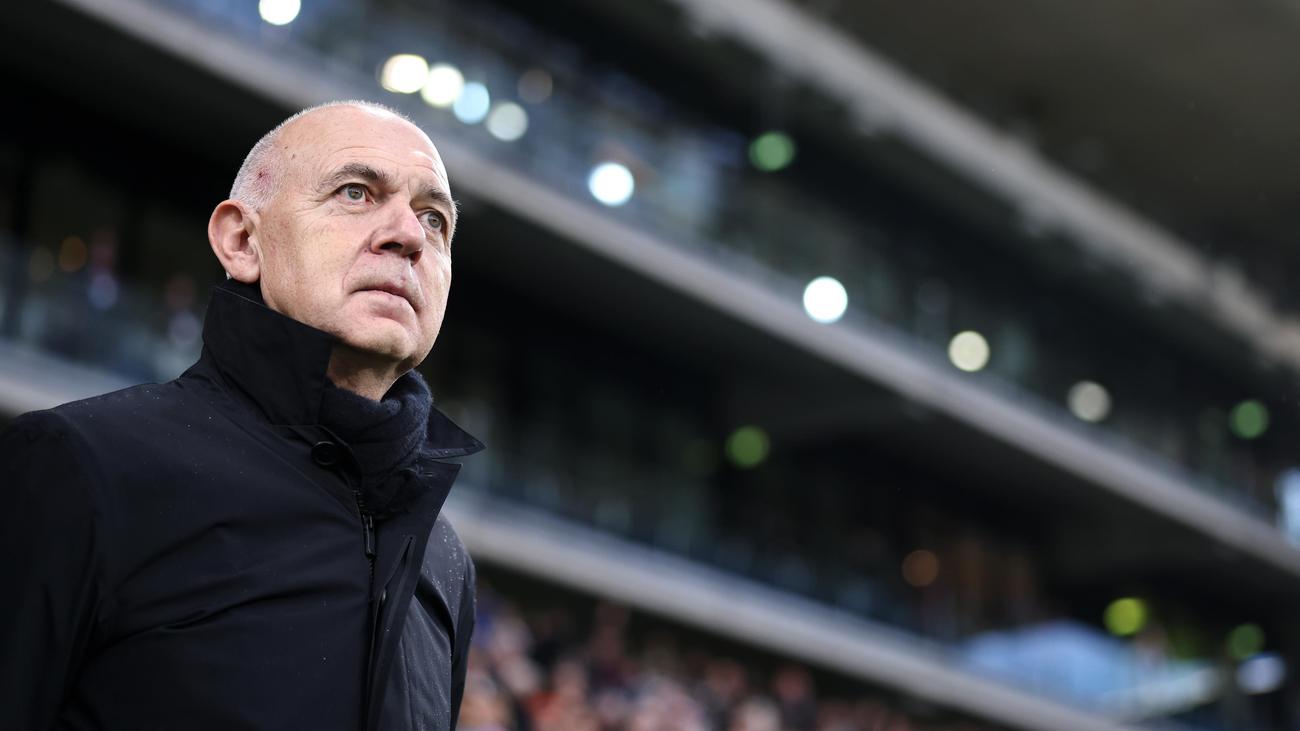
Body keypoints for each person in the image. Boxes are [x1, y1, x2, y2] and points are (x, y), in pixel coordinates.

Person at [0, 100, 484, 731]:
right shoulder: (82, 467)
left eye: (434, 219)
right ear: (242, 241)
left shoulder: (446, 561)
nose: (409, 236)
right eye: (356, 192)